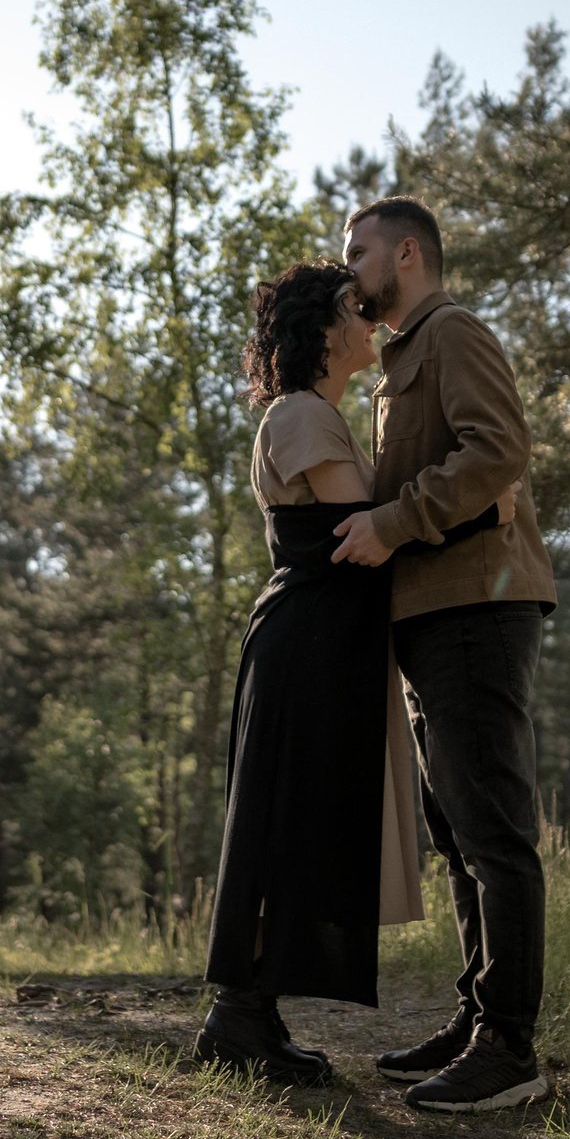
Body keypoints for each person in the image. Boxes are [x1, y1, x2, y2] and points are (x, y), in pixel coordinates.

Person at [197, 261, 499, 1084]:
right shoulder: (300, 415)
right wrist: (478, 504)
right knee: (283, 823)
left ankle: (249, 1012)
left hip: (320, 645)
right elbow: (361, 530)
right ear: (325, 330)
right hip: (305, 646)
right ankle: (239, 1015)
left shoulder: (316, 415)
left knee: (295, 822)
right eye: (354, 311)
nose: (369, 321)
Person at [332, 196, 557, 1113]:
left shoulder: (453, 332)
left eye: (359, 251)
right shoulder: (397, 360)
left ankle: (510, 1048)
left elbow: (499, 450)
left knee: (494, 833)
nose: (348, 270)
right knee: (459, 835)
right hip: (431, 615)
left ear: (409, 253)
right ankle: (476, 1019)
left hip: (478, 607)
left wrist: (392, 520)